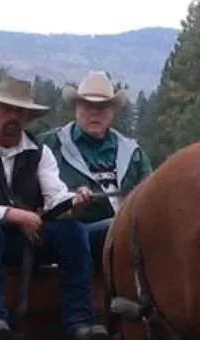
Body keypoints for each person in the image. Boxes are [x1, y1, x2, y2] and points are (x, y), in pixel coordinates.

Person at [0, 78, 108, 340]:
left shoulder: (39, 152)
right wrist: (15, 215)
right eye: (7, 110)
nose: (13, 118)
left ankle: (79, 322)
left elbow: (55, 195)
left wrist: (74, 201)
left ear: (28, 117)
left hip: (22, 240)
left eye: (19, 112)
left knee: (75, 231)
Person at [45, 70, 154, 261]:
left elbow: (151, 198)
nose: (95, 112)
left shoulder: (133, 153)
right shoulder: (51, 145)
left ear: (112, 112)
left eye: (102, 107)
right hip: (69, 236)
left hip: (126, 238)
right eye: (88, 106)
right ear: (76, 108)